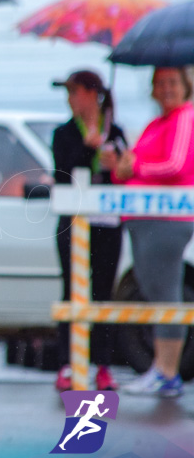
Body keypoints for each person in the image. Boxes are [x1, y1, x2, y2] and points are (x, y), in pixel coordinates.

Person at [102, 66, 194, 398]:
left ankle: (168, 372)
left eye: (173, 82)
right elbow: (130, 168)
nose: (166, 89)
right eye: (160, 83)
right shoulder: (155, 124)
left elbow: (177, 164)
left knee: (167, 291)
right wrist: (119, 164)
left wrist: (135, 166)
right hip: (143, 219)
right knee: (154, 291)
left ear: (185, 86)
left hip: (168, 220)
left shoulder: (185, 117)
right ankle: (160, 367)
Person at [50, 70, 125, 392]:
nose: (70, 98)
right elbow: (62, 173)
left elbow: (125, 172)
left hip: (107, 223)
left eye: (75, 91)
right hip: (73, 224)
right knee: (71, 290)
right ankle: (68, 363)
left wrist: (114, 161)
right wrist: (87, 148)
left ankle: (103, 365)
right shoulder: (64, 133)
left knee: (103, 293)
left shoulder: (116, 131)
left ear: (92, 93)